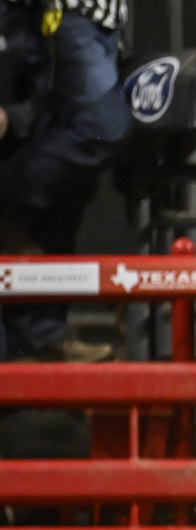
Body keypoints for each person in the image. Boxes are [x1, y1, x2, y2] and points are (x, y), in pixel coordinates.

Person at [0, 0, 131, 362]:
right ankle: (10, 202)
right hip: (64, 13)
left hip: (101, 19)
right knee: (102, 128)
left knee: (62, 160)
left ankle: (44, 330)